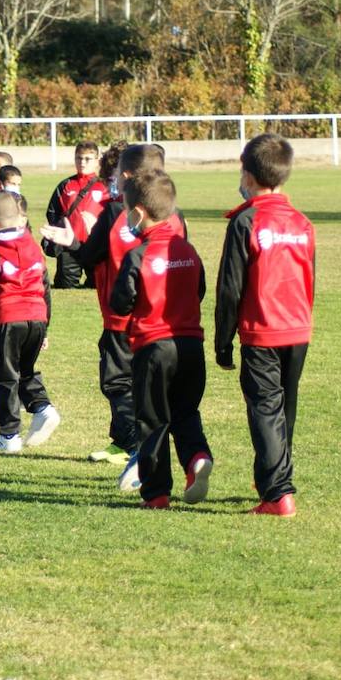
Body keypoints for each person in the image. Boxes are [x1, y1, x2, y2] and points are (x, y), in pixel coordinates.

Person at [44, 142, 174, 467]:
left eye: (114, 173)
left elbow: (90, 255)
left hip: (119, 315)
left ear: (125, 175)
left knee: (116, 380)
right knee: (142, 382)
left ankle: (135, 447)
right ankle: (122, 441)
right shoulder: (169, 213)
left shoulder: (115, 211)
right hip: (156, 316)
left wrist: (72, 241)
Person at [215, 134, 316, 518]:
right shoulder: (302, 223)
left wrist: (223, 341)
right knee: (283, 409)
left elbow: (230, 288)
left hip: (262, 331)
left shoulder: (245, 220)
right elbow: (311, 278)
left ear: (248, 173)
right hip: (297, 328)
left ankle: (278, 494)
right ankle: (272, 481)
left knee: (265, 409)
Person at [109, 169, 213, 510]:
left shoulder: (138, 255)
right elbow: (199, 290)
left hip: (153, 347)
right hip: (191, 346)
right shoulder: (188, 249)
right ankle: (196, 458)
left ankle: (156, 494)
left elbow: (120, 302)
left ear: (138, 213)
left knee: (152, 420)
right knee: (185, 412)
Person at [0, 190, 61, 453]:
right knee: (26, 369)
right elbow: (45, 289)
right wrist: (45, 328)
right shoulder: (32, 246)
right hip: (37, 318)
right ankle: (43, 408)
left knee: (6, 377)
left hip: (7, 320)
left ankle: (9, 436)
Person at [43, 142, 106, 290]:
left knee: (97, 286)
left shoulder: (105, 186)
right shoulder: (65, 185)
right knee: (65, 286)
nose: (82, 162)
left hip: (95, 246)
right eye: (79, 158)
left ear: (97, 160)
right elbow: (53, 211)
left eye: (87, 159)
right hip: (68, 246)